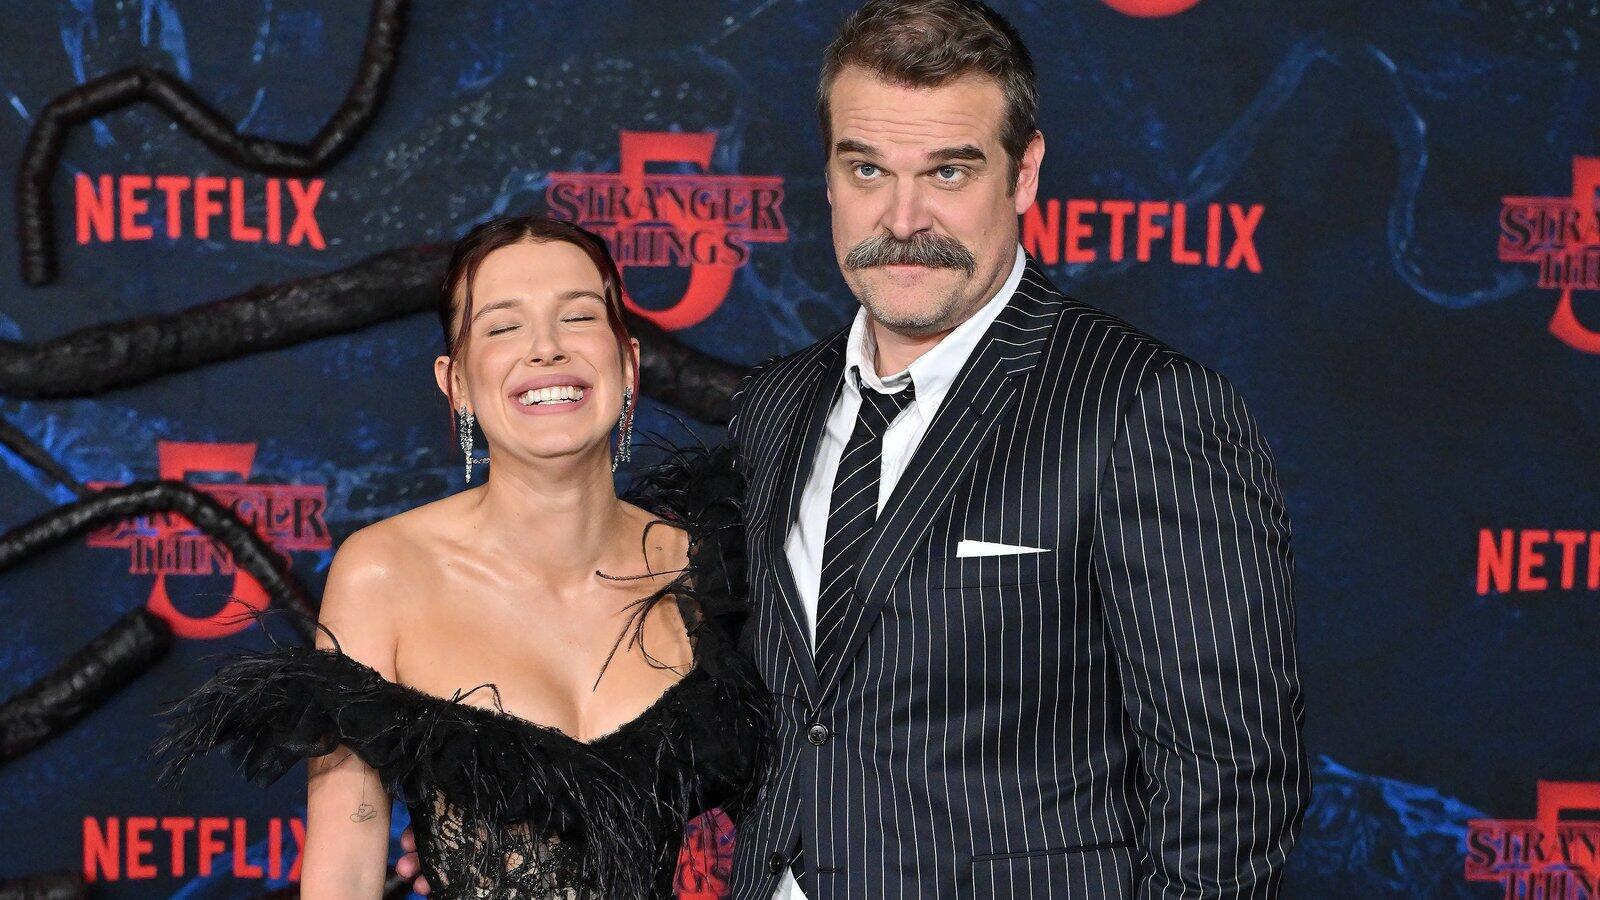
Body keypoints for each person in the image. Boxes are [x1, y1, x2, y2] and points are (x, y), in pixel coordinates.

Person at [400, 0, 1309, 895]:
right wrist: (504, 818)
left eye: (948, 172)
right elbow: (767, 722)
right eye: (868, 168)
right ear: (830, 176)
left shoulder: (1142, 408)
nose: (903, 218)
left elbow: (1233, 783)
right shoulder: (778, 405)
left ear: (1024, 173)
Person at [156, 215, 768, 899]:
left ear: (627, 362)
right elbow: (344, 872)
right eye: (503, 327)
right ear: (457, 384)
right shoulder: (384, 572)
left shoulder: (707, 572)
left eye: (577, 317)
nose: (546, 348)